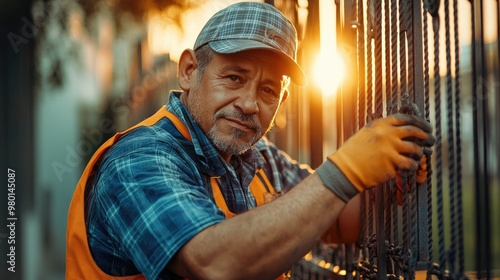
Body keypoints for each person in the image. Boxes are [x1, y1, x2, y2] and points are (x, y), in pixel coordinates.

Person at [66, 2, 435, 279]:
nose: (248, 104)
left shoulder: (257, 159)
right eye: (234, 78)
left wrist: (385, 178)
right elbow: (213, 264)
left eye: (268, 90)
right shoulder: (139, 159)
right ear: (189, 71)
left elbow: (337, 221)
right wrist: (345, 171)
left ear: (282, 102)